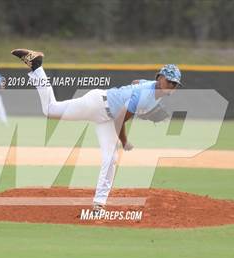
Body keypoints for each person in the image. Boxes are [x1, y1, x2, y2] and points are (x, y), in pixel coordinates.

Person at [11, 48, 181, 214]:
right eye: (169, 81)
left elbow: (137, 82)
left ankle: (99, 203)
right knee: (49, 109)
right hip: (97, 104)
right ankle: (36, 66)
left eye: (175, 84)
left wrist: (128, 94)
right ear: (159, 78)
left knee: (111, 158)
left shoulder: (151, 87)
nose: (172, 86)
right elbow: (120, 120)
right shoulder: (145, 96)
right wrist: (124, 141)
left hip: (106, 118)